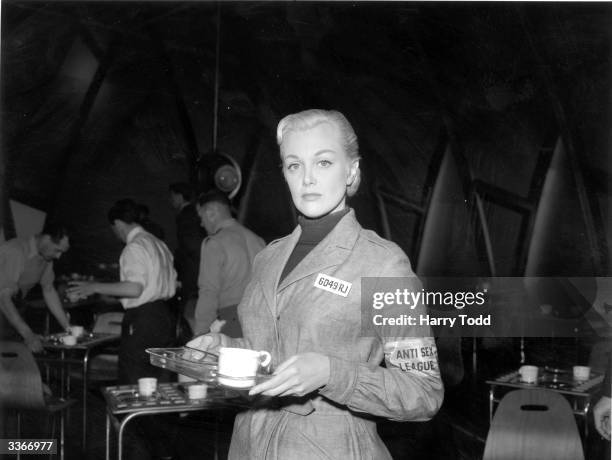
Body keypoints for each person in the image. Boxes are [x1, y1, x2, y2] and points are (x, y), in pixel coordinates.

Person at [188, 109, 443, 459]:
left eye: (323, 162)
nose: (307, 178)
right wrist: (224, 347)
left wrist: (331, 373)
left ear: (351, 170)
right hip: (250, 445)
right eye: (294, 165)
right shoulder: (269, 257)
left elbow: (423, 392)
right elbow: (273, 352)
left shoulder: (383, 263)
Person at [67, 198, 177, 384]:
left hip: (143, 321)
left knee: (134, 379)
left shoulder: (134, 247)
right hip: (164, 317)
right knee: (159, 381)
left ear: (117, 223)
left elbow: (135, 288)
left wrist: (93, 286)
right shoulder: (159, 244)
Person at [193, 190, 265, 337]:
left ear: (211, 213)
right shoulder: (258, 240)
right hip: (261, 318)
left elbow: (209, 291)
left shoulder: (215, 243)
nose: (201, 223)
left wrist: (200, 332)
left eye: (201, 217)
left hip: (232, 320)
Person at [0, 222, 71, 352]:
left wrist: (69, 329)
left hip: (14, 307)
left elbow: (48, 290)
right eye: (57, 250)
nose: (58, 256)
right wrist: (28, 335)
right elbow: (3, 299)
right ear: (46, 238)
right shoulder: (16, 250)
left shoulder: (45, 257)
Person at [169, 182, 206, 334]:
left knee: (189, 314)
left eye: (171, 196)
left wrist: (178, 265)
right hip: (195, 270)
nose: (170, 201)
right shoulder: (191, 213)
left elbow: (191, 246)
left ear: (178, 196)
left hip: (192, 271)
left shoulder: (186, 215)